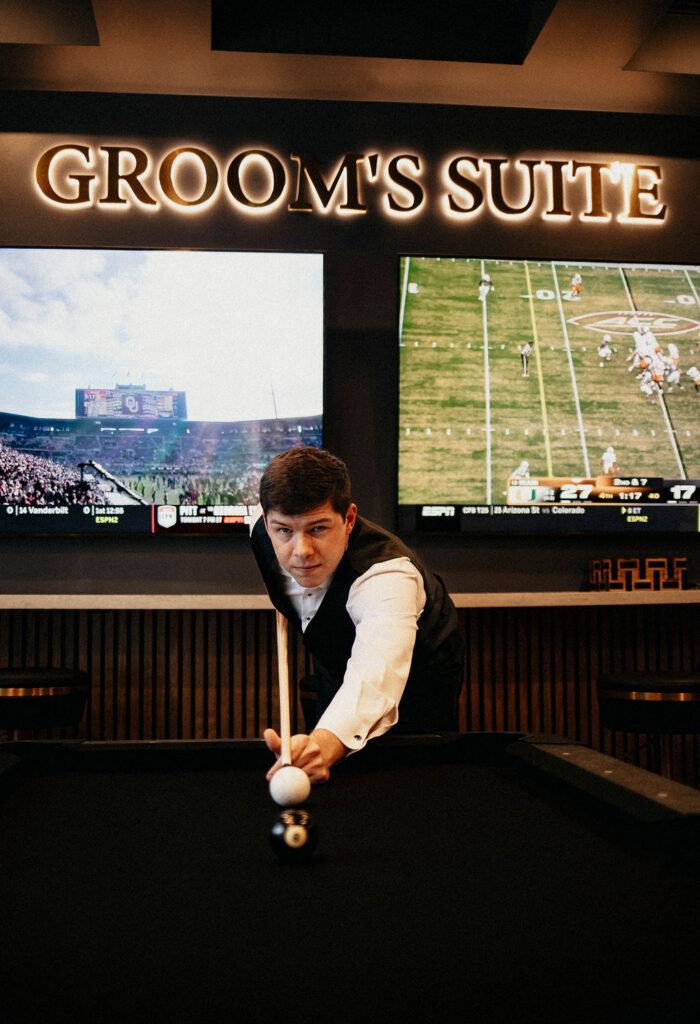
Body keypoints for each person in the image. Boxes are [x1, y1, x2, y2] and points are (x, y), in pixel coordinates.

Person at [250, 446, 464, 785]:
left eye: (318, 528)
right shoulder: (261, 535)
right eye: (284, 531)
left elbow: (375, 678)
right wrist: (325, 741)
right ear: (266, 522)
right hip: (336, 661)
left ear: (349, 519)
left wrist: (324, 743)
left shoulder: (387, 577)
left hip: (419, 688)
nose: (302, 551)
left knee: (411, 790)